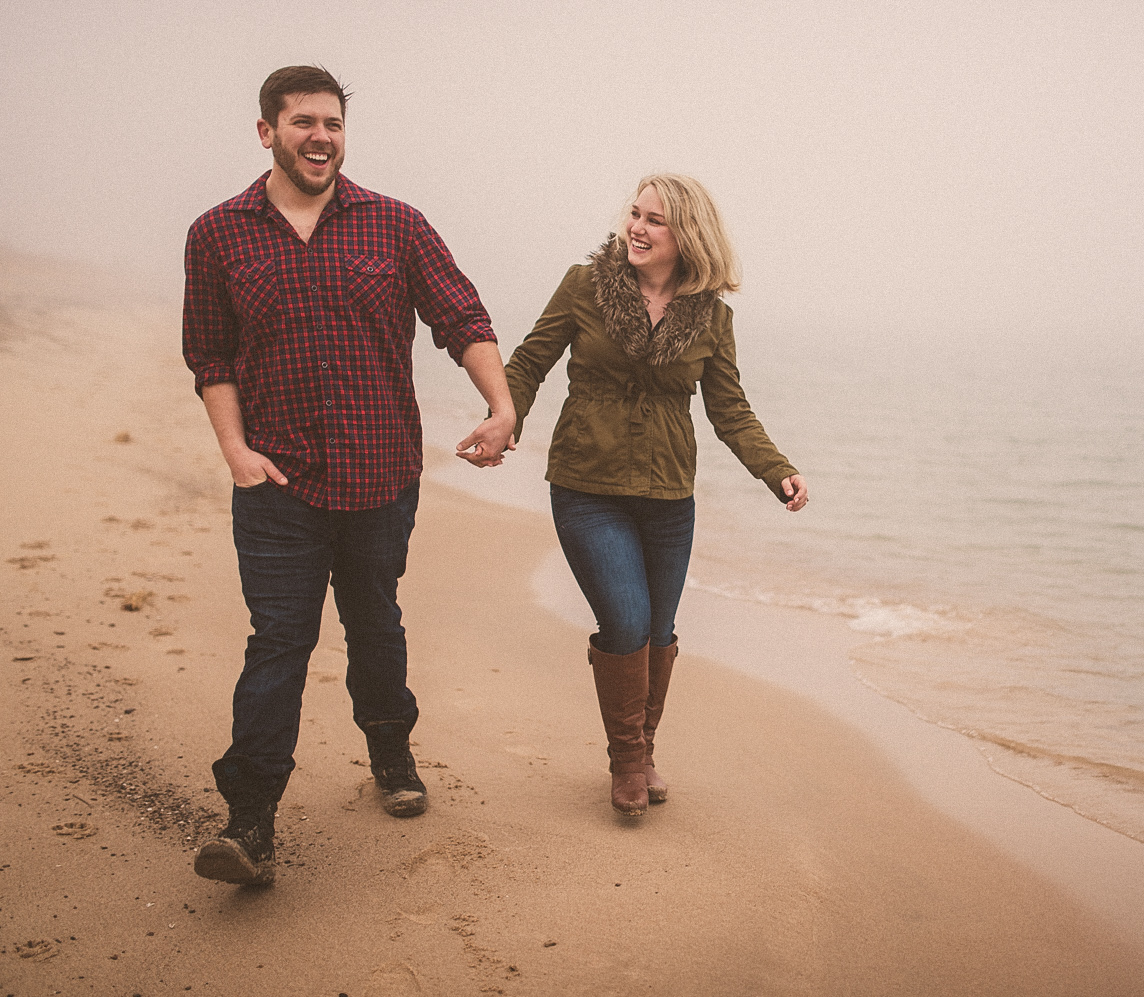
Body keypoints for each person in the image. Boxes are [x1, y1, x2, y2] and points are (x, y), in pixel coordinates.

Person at [181, 65, 517, 884]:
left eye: (332, 123)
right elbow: (210, 353)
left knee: (375, 624)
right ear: (267, 131)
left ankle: (391, 751)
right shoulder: (219, 233)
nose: (320, 136)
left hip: (380, 473)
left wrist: (501, 405)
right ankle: (250, 821)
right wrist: (235, 450)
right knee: (279, 643)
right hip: (276, 482)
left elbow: (460, 317)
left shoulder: (395, 225)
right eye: (303, 122)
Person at [504, 174, 809, 817]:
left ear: (687, 237)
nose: (637, 228)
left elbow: (730, 411)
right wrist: (503, 419)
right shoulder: (584, 286)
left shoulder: (712, 317)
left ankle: (641, 753)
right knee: (625, 621)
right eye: (634, 215)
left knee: (661, 628)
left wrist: (776, 470)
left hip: (669, 494)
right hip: (588, 485)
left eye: (655, 221)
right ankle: (626, 762)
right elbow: (529, 363)